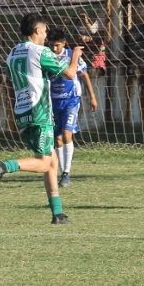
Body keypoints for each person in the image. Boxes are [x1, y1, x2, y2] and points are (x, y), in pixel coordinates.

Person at [0, 13, 83, 224]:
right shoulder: (40, 51)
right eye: (46, 30)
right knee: (44, 162)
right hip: (40, 112)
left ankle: (57, 213)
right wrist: (75, 54)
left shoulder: (12, 52)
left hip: (22, 112)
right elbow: (69, 73)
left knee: (52, 162)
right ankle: (4, 166)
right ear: (37, 31)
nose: (47, 34)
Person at [47, 30, 98, 187]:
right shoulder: (47, 57)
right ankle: (62, 172)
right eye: (51, 45)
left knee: (67, 134)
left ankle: (66, 173)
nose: (54, 48)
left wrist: (92, 96)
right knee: (57, 139)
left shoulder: (72, 55)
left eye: (57, 45)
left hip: (71, 100)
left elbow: (83, 75)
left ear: (63, 43)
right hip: (54, 102)